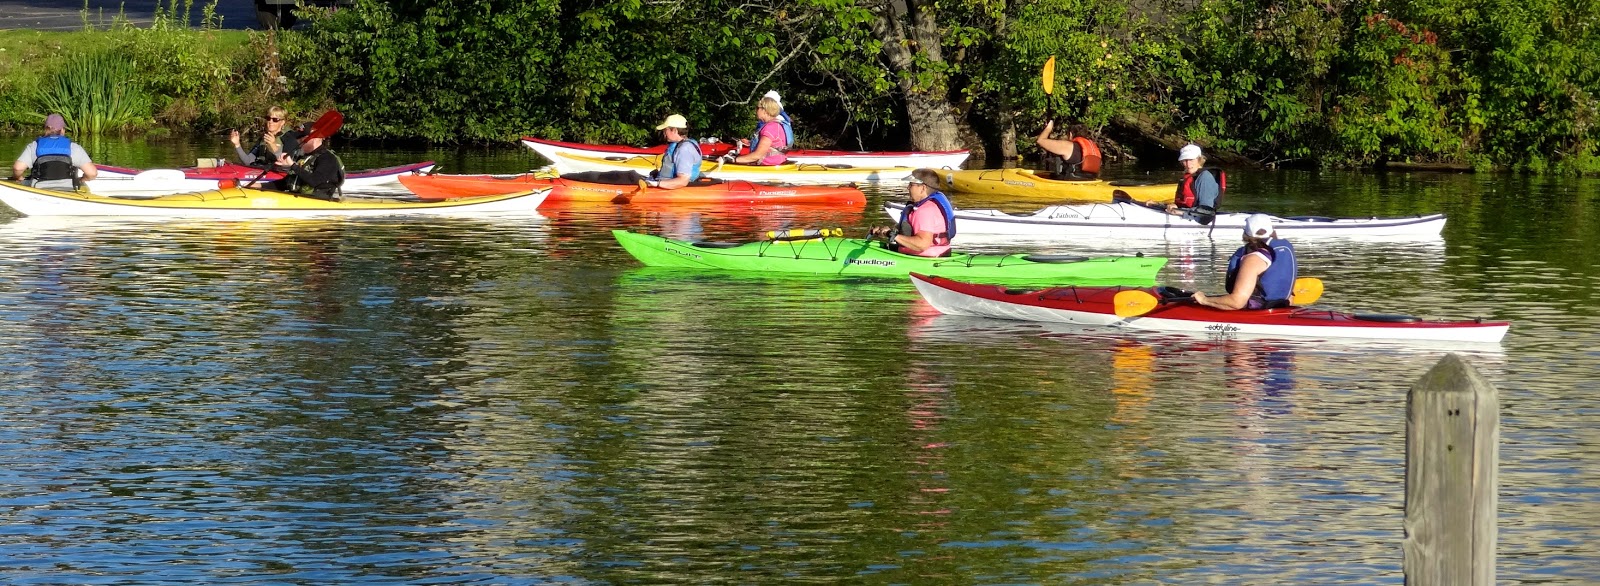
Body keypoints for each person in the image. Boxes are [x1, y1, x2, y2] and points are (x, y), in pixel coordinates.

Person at [1192, 214, 1298, 310]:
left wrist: (1204, 300)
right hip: (1281, 307)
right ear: (1272, 231)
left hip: (1258, 312)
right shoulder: (1283, 250)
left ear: (1246, 234)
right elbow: (1290, 297)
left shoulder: (1253, 258)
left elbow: (1236, 302)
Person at [868, 168, 956, 257]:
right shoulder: (928, 206)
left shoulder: (925, 210)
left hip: (925, 259)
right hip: (936, 252)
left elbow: (922, 244)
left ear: (923, 188)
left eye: (911, 184)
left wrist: (891, 235)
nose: (908, 187)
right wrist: (887, 232)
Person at [12, 113, 97, 191]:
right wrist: (82, 179)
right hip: (68, 190)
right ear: (63, 130)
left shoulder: (34, 146)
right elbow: (92, 173)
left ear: (46, 129)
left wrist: (18, 177)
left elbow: (18, 168)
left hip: (39, 189)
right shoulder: (74, 147)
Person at [272, 129, 345, 200]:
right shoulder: (304, 158)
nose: (300, 142)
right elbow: (284, 183)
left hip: (318, 201)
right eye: (299, 139)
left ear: (316, 139)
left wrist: (293, 165)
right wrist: (261, 186)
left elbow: (314, 181)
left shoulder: (327, 158)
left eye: (303, 138)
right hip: (298, 198)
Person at [1165, 143, 1222, 224]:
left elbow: (1206, 212)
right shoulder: (1187, 176)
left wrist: (1182, 212)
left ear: (1199, 159)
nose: (1188, 164)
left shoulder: (1205, 178)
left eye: (1191, 160)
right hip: (1187, 213)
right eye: (1185, 160)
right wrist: (1157, 204)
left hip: (1200, 220)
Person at [646, 114, 703, 190]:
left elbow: (683, 181)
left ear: (675, 130)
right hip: (666, 183)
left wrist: (657, 183)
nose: (664, 133)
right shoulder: (681, 144)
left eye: (666, 130)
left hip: (675, 190)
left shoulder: (685, 149)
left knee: (630, 177)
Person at [728, 96, 788, 166]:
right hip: (774, 164)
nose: (756, 110)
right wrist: (750, 143)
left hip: (768, 166)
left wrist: (734, 159)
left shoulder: (770, 128)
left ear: (764, 110)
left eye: (757, 108)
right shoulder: (775, 125)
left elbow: (757, 155)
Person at [1034, 120, 1101, 179]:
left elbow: (1040, 141)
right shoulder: (1093, 146)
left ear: (1070, 134)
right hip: (1091, 180)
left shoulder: (1068, 146)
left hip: (1072, 181)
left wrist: (1048, 128)